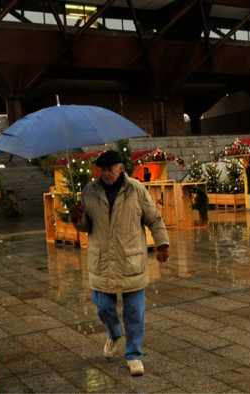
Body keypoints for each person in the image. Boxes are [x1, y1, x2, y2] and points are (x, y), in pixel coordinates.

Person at [69, 151, 169, 377]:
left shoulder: (136, 190)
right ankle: (114, 334)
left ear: (120, 167)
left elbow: (154, 218)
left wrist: (163, 244)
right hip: (102, 261)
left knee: (135, 313)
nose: (106, 174)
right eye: (102, 170)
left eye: (110, 169)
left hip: (130, 260)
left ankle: (134, 355)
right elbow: (86, 226)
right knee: (103, 305)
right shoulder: (89, 192)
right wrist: (76, 218)